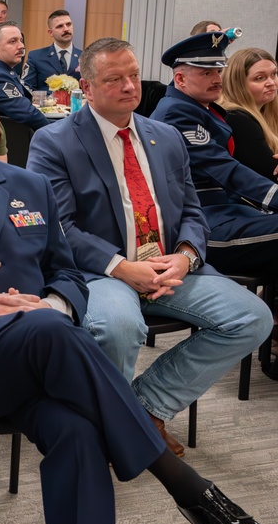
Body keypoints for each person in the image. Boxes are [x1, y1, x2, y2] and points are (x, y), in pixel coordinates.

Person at [0, 65, 278, 524]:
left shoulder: (26, 186)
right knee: (49, 332)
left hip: (38, 364)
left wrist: (55, 303)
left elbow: (66, 273)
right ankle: (185, 485)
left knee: (78, 430)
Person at [27, 37, 272, 458]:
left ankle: (144, 408)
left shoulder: (166, 136)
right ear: (86, 87)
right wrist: (122, 267)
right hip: (100, 271)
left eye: (134, 75)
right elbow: (59, 227)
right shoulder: (54, 142)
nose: (129, 86)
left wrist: (185, 256)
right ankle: (109, 433)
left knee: (252, 318)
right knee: (120, 327)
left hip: (169, 266)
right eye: (114, 79)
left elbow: (193, 212)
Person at [151, 32, 278, 276]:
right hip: (202, 226)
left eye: (218, 71)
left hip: (227, 212)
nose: (217, 79)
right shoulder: (177, 113)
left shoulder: (196, 107)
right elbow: (224, 169)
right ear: (180, 79)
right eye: (206, 73)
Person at [220, 47, 278, 180]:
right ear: (238, 84)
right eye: (259, 78)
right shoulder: (237, 118)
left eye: (274, 74)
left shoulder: (267, 111)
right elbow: (270, 173)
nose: (271, 83)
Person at [0, 22, 51, 130]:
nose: (21, 46)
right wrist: (57, 134)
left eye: (21, 41)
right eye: (13, 41)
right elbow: (29, 114)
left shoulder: (2, 71)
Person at [24, 9, 82, 91]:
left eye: (68, 24)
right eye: (60, 26)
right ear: (50, 33)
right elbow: (27, 87)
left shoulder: (85, 57)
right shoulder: (36, 57)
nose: (66, 29)